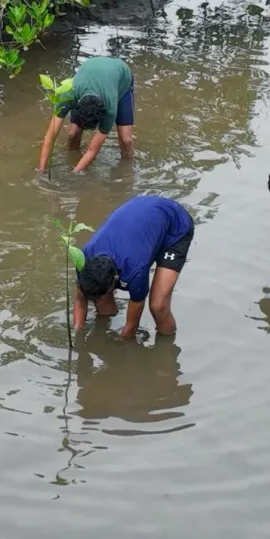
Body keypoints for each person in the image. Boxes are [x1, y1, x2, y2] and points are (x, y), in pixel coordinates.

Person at [73, 193, 194, 339]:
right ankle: (105, 325)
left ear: (115, 280)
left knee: (158, 305)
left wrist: (122, 345)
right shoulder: (84, 259)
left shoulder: (135, 271)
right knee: (101, 298)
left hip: (174, 226)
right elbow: (80, 299)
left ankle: (167, 346)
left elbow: (131, 327)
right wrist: (77, 335)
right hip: (141, 218)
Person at [38, 55, 134, 174]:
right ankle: (72, 156)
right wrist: (41, 170)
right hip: (92, 69)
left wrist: (74, 174)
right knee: (73, 133)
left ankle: (128, 169)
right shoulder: (67, 96)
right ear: (76, 105)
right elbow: (50, 137)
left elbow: (92, 151)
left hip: (122, 76)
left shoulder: (110, 108)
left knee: (126, 140)